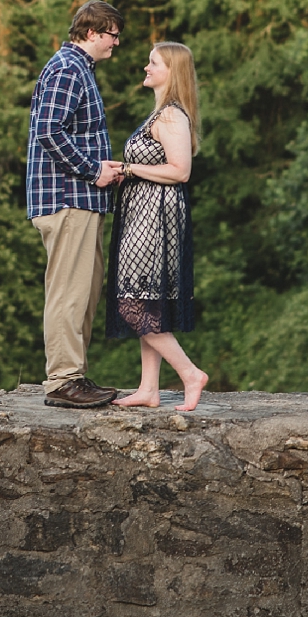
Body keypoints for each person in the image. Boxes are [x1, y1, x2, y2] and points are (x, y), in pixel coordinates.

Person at [26, 0, 126, 409]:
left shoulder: (77, 68)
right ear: (91, 33)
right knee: (69, 292)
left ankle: (73, 376)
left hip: (79, 197)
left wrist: (101, 167)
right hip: (67, 198)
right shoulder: (68, 68)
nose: (116, 43)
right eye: (112, 35)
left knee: (83, 290)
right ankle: (63, 381)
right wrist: (92, 170)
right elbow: (48, 130)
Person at [108, 41, 209, 412]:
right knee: (145, 300)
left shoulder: (171, 117)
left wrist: (130, 169)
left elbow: (180, 171)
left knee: (132, 302)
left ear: (171, 71)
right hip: (141, 212)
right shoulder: (160, 114)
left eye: (153, 63)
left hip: (155, 217)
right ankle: (149, 388)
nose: (145, 68)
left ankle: (190, 374)